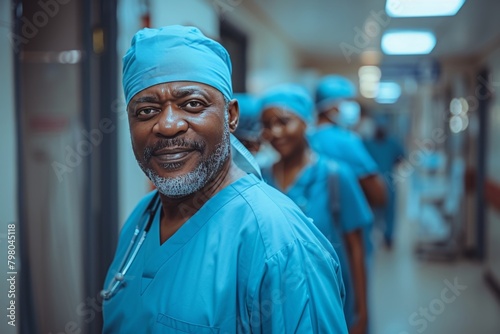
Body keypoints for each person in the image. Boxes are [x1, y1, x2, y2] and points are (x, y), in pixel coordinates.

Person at [102, 25, 348, 333]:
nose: (167, 125)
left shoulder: (280, 244)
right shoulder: (140, 220)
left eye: (192, 104)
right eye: (146, 110)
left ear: (231, 116)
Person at [259, 83, 373, 334]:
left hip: (329, 298)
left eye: (284, 121)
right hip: (278, 305)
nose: (275, 132)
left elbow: (356, 248)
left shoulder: (335, 176)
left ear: (306, 122)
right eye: (267, 125)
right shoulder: (262, 180)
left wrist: (361, 313)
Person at [310, 75, 387, 208]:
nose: (353, 107)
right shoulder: (346, 141)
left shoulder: (306, 138)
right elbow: (378, 195)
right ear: (331, 107)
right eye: (348, 101)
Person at [362, 115, 405, 248]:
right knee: (372, 212)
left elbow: (401, 158)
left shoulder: (392, 143)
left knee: (389, 212)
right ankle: (371, 237)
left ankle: (388, 237)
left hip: (387, 183)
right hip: (372, 184)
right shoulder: (367, 143)